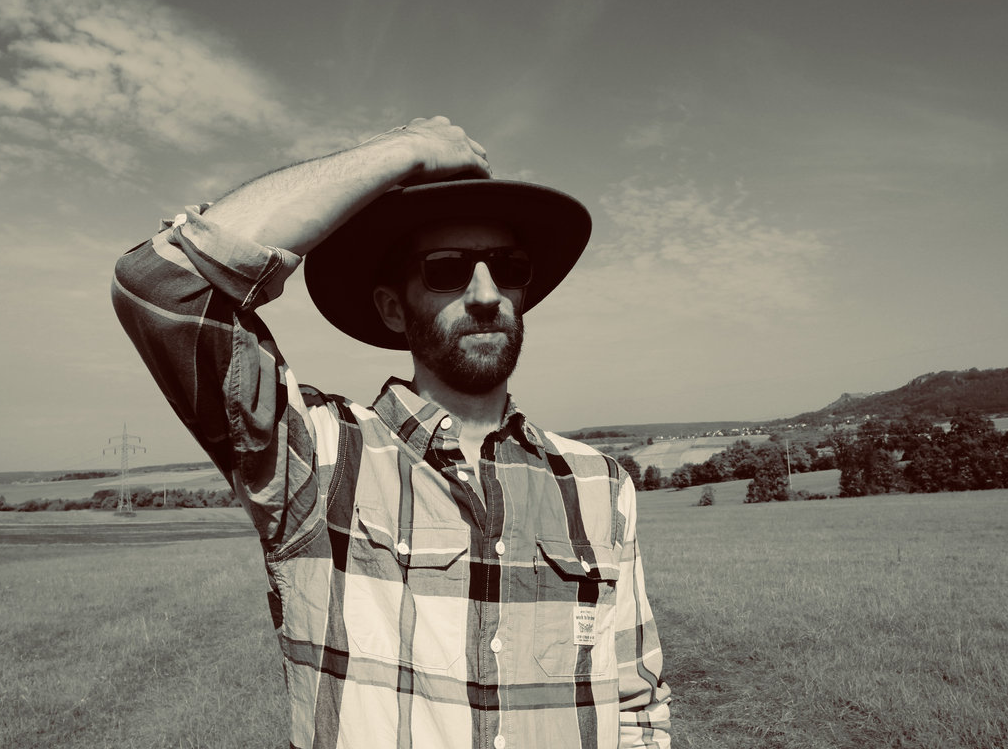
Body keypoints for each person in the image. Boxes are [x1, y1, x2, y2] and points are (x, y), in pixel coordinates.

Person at [112, 116, 672, 749]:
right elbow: (163, 284)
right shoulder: (318, 462)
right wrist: (405, 150)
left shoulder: (600, 485)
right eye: (446, 270)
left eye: (508, 267)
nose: (486, 294)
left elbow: (637, 708)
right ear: (391, 307)